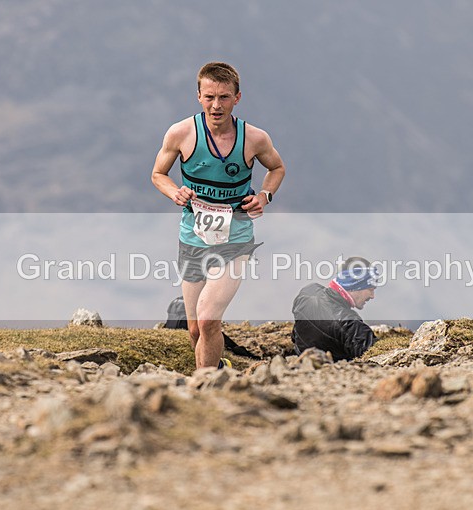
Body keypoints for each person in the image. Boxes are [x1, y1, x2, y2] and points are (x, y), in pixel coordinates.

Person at [151, 62, 285, 369]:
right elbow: (158, 174)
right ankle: (218, 369)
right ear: (198, 96)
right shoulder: (181, 133)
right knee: (196, 328)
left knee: (210, 318)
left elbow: (277, 167)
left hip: (234, 240)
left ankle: (206, 387)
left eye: (224, 97)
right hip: (192, 239)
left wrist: (265, 195)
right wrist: (175, 192)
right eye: (209, 96)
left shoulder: (254, 138)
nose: (216, 105)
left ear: (237, 98)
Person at [291, 257, 383, 361]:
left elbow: (295, 335)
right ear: (355, 285)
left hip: (300, 367)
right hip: (332, 375)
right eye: (370, 289)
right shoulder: (351, 325)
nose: (372, 296)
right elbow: (378, 356)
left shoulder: (308, 292)